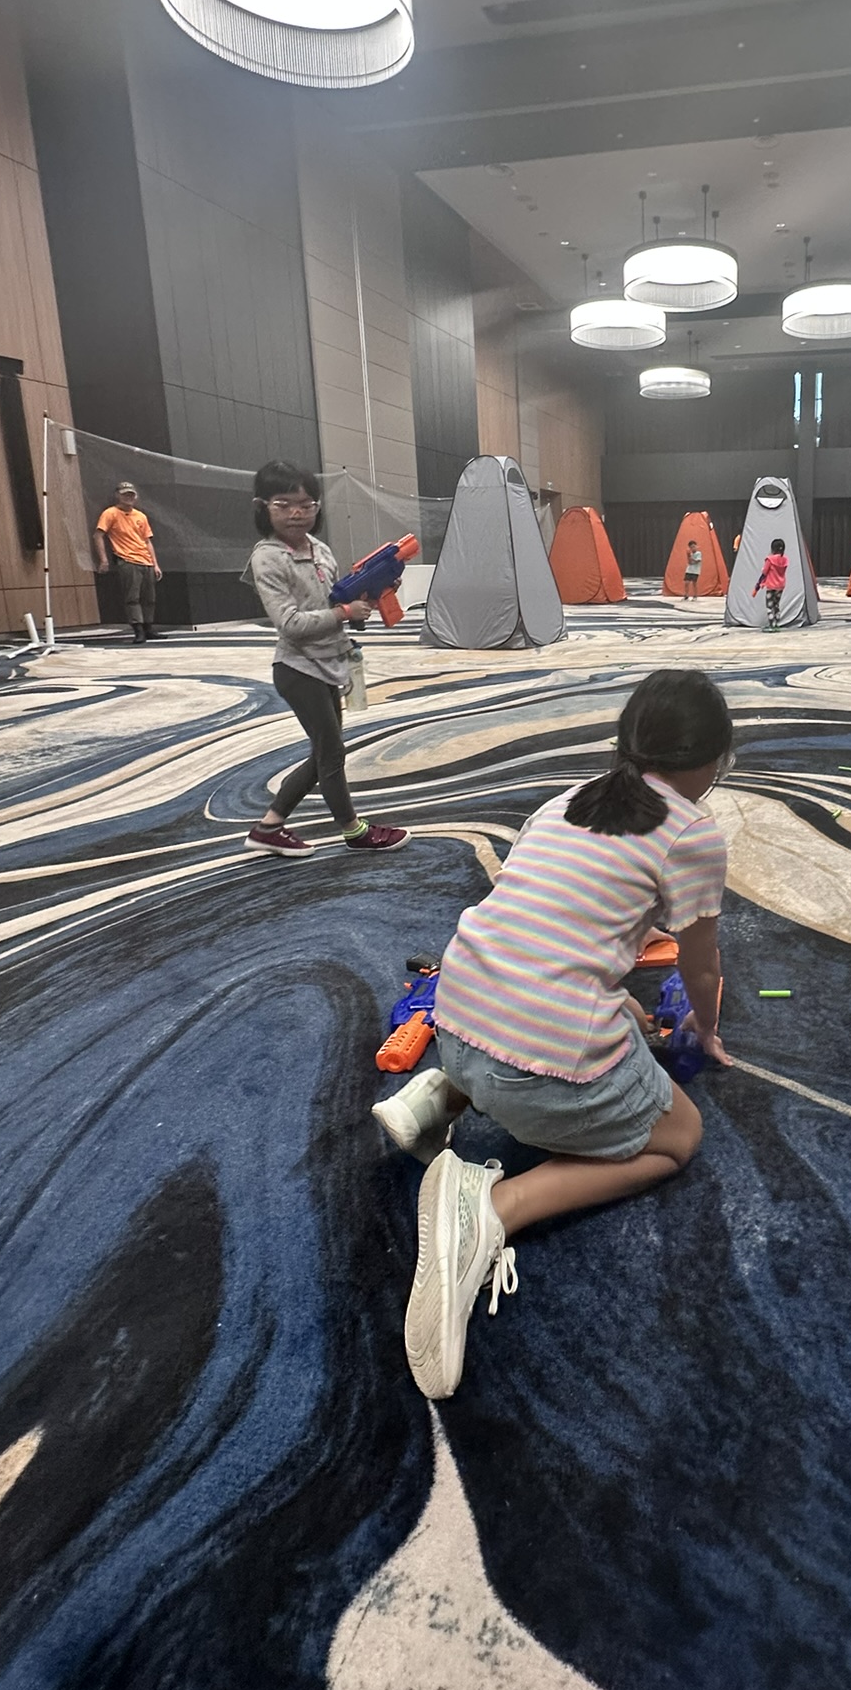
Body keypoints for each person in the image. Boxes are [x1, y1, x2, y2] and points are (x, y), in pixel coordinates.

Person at [377, 668, 733, 1399]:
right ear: (712, 760)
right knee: (679, 1137)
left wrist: (620, 979)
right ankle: (492, 1209)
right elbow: (701, 964)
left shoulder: (567, 800)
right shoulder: (693, 832)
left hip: (454, 1020)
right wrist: (705, 1024)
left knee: (580, 1016)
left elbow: (540, 925)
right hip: (532, 1071)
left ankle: (436, 1098)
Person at [241, 459, 408, 857]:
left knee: (324, 754)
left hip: (330, 662)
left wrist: (367, 599)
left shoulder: (321, 550)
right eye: (283, 505)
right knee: (331, 753)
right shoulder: (267, 557)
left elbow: (337, 604)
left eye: (307, 505)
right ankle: (354, 830)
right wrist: (343, 613)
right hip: (298, 669)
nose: (297, 513)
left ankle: (269, 827)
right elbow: (290, 624)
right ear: (263, 507)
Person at [94, 482, 162, 643]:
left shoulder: (140, 516)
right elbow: (98, 535)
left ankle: (148, 628)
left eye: (131, 494)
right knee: (132, 598)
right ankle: (138, 630)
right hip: (127, 559)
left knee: (149, 598)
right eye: (125, 494)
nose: (128, 497)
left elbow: (147, 541)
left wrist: (155, 564)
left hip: (146, 560)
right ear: (117, 495)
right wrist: (103, 559)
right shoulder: (110, 513)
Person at [754, 535, 788, 629]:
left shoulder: (770, 560)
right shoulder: (785, 560)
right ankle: (777, 624)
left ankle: (771, 625)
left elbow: (764, 572)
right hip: (781, 586)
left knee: (770, 606)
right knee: (776, 605)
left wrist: (759, 584)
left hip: (771, 586)